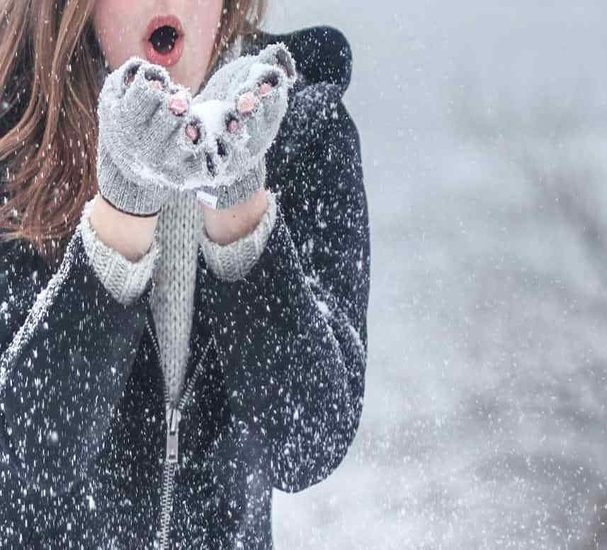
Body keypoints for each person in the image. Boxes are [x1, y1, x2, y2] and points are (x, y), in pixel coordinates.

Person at [0, 0, 370, 547]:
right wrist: (122, 211)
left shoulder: (305, 134)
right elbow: (21, 468)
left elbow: (307, 444)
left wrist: (240, 208)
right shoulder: (16, 138)